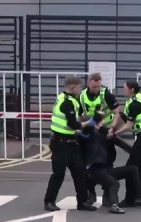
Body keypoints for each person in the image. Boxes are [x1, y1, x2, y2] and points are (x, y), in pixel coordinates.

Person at [43, 76, 100, 212]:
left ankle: (83, 202)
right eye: (80, 87)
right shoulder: (66, 102)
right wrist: (91, 122)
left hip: (72, 142)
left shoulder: (72, 100)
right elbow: (73, 124)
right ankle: (49, 201)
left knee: (80, 172)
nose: (81, 90)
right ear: (73, 87)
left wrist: (88, 120)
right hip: (60, 143)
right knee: (58, 174)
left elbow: (78, 117)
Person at [78, 125, 141, 214]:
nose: (112, 134)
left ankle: (140, 196)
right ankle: (113, 205)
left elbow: (127, 147)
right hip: (96, 171)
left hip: (109, 170)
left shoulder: (111, 139)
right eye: (109, 133)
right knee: (114, 184)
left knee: (133, 169)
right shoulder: (93, 141)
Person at [111, 81, 141, 207]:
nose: (123, 90)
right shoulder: (138, 98)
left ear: (131, 89)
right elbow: (126, 117)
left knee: (131, 168)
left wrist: (115, 133)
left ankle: (130, 199)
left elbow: (128, 126)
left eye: (125, 88)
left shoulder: (135, 104)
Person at [79, 73, 122, 203]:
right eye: (94, 87)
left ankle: (107, 194)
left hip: (105, 132)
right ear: (88, 84)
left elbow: (117, 112)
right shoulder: (81, 96)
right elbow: (79, 116)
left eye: (98, 86)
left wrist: (112, 128)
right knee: (88, 164)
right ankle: (90, 193)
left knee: (107, 162)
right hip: (90, 133)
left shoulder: (105, 94)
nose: (97, 89)